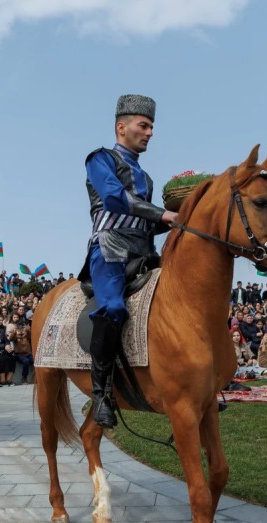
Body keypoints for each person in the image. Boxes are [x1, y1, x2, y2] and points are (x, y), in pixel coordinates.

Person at [78, 94, 178, 428]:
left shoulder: (146, 178)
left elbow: (149, 223)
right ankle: (102, 394)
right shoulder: (99, 159)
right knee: (113, 308)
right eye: (143, 125)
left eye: (151, 127)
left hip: (145, 253)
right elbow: (114, 198)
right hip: (110, 248)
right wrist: (164, 214)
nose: (150, 133)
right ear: (121, 127)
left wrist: (186, 216)